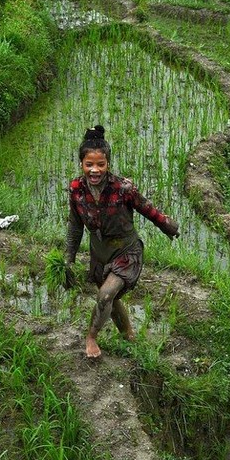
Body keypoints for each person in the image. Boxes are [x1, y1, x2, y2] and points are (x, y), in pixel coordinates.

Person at [64, 125, 180, 358]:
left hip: (126, 251)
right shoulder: (76, 189)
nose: (94, 170)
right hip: (99, 254)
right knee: (111, 298)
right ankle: (128, 334)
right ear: (81, 164)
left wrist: (167, 225)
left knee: (106, 295)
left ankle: (91, 337)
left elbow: (147, 209)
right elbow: (75, 225)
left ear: (108, 164)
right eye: (89, 165)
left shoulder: (122, 188)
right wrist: (69, 258)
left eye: (100, 165)